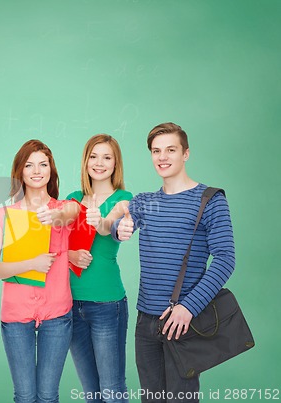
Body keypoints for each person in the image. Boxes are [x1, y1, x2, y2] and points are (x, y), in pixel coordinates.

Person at [112, 123, 235, 403]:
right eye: (156, 151)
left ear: (186, 154)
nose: (162, 157)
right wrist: (120, 228)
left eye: (170, 149)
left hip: (183, 322)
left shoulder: (210, 200)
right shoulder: (146, 201)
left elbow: (226, 259)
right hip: (146, 322)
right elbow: (121, 225)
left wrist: (188, 308)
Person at [0, 139, 80, 403]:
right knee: (25, 395)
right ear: (20, 172)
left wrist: (57, 217)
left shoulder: (64, 208)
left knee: (48, 395)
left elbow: (72, 212)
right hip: (16, 314)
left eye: (43, 164)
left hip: (57, 313)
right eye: (29, 165)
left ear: (51, 169)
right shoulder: (3, 214)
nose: (37, 170)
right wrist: (31, 264)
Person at [67, 134, 132, 403]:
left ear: (116, 163)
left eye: (107, 157)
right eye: (93, 156)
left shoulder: (124, 199)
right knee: (91, 392)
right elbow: (55, 247)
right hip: (70, 304)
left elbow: (110, 228)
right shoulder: (72, 199)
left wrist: (101, 220)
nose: (99, 163)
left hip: (107, 305)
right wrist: (71, 254)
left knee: (112, 390)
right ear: (85, 161)